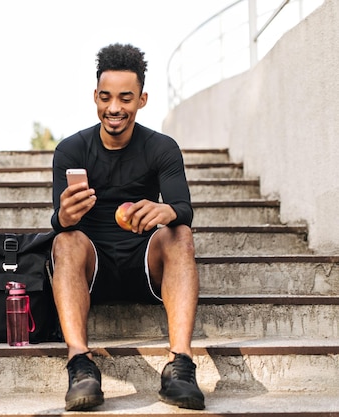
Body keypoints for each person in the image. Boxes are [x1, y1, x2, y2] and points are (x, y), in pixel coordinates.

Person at [50, 43, 205, 411]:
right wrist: (65, 217)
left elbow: (184, 209)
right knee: (66, 240)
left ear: (142, 99)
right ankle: (81, 364)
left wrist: (166, 212)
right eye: (105, 97)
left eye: (125, 97)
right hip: (93, 268)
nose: (114, 108)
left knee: (180, 234)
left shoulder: (161, 148)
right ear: (95, 97)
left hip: (144, 264)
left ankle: (180, 365)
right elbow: (57, 222)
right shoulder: (71, 150)